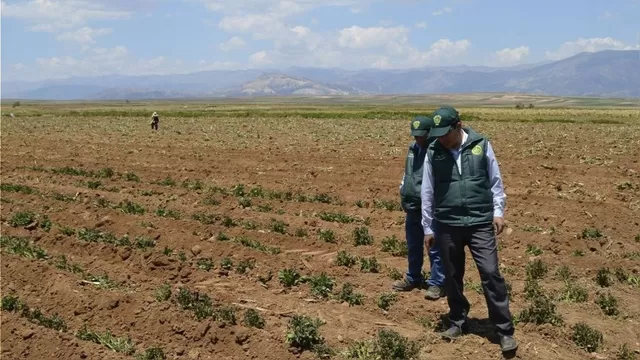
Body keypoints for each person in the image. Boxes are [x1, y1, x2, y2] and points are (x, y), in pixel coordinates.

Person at [420, 106, 517, 353]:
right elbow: (427, 192)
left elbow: (495, 180)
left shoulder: (481, 145)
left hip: (479, 222)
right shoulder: (434, 151)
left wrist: (498, 212)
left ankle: (504, 330)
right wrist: (428, 228)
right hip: (447, 224)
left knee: (491, 273)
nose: (441, 138)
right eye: (438, 134)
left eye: (445, 133)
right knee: (452, 276)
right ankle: (458, 321)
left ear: (459, 125)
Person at [393, 115, 445, 300]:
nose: (418, 139)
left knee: (433, 245)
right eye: (415, 135)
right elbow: (409, 173)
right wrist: (403, 188)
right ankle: (413, 277)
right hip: (412, 205)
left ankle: (437, 283)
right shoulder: (413, 149)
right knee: (413, 244)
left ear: (430, 132)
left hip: (430, 207)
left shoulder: (436, 150)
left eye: (421, 135)